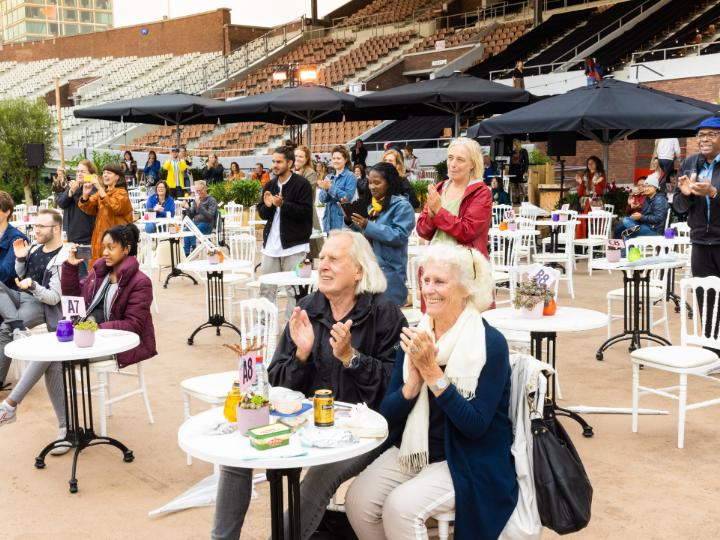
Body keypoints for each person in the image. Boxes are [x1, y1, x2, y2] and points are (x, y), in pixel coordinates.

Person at [212, 230, 406, 540]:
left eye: (334, 259)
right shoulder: (308, 307)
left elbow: (395, 387)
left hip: (363, 430)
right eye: (322, 258)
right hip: (304, 421)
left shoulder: (384, 313)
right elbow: (274, 381)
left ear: (359, 271)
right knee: (239, 453)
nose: (323, 265)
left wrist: (352, 358)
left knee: (319, 477)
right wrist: (301, 355)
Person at [345, 243, 518, 540]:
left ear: (467, 289)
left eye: (439, 282)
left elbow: (475, 427)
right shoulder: (416, 335)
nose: (429, 289)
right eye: (425, 280)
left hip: (468, 459)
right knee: (358, 501)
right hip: (417, 450)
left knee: (400, 508)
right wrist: (411, 387)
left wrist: (433, 374)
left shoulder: (490, 344)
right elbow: (389, 417)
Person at [0, 210, 67, 438]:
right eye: (35, 226)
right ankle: (16, 324)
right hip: (23, 295)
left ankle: (14, 326)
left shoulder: (63, 257)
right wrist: (20, 259)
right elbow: (21, 275)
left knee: (4, 329)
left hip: (40, 302)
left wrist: (33, 287)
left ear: (56, 229)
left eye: (41, 226)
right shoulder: (36, 249)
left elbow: (54, 298)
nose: (35, 230)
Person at [258, 146, 314, 317]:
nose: (275, 165)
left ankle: (292, 330)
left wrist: (284, 205)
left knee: (294, 291)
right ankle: (263, 326)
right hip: (271, 247)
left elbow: (305, 212)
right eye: (273, 161)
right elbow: (263, 214)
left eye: (279, 162)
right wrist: (267, 206)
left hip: (294, 246)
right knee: (266, 289)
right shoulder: (270, 184)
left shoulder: (301, 184)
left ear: (289, 163)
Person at [349, 162, 415, 306]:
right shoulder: (369, 205)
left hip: (389, 272)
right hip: (367, 270)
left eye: (377, 183)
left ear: (389, 183)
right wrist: (349, 219)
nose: (372, 187)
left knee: (388, 319)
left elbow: (399, 235)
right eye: (370, 182)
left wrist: (368, 225)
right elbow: (361, 234)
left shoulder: (402, 206)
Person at [416, 137, 492, 257]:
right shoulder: (439, 188)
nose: (452, 164)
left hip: (463, 267)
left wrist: (438, 212)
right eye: (450, 158)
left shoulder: (481, 193)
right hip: (435, 262)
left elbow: (467, 232)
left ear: (473, 163)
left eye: (460, 160)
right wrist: (431, 216)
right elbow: (422, 231)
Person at [673, 116, 720, 281]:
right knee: (706, 300)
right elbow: (678, 207)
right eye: (701, 135)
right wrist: (687, 195)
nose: (704, 139)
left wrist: (714, 193)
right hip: (700, 243)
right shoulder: (689, 163)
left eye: (712, 134)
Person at [78, 163, 133, 266]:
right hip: (100, 238)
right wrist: (85, 194)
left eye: (109, 173)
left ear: (117, 177)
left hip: (116, 239)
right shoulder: (102, 193)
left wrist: (99, 187)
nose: (105, 175)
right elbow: (88, 208)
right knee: (99, 269)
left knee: (116, 269)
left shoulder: (122, 193)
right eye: (103, 173)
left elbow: (114, 207)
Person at [56, 160, 97, 254]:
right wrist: (70, 192)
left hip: (86, 240)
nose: (79, 174)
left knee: (85, 268)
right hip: (69, 238)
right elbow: (61, 203)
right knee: (70, 268)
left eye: (82, 171)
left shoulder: (93, 189)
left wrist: (76, 190)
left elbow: (85, 206)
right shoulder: (73, 186)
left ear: (91, 174)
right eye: (77, 171)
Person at [613, 172, 668, 239]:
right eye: (645, 186)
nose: (646, 188)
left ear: (655, 187)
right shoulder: (647, 198)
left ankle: (630, 242)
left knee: (627, 234)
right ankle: (634, 229)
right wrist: (633, 210)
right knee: (626, 219)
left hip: (654, 229)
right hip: (645, 225)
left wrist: (641, 217)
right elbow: (642, 214)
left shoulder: (660, 199)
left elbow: (658, 218)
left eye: (649, 186)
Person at [294, 145, 323, 259]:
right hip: (293, 210)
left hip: (306, 211)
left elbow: (305, 193)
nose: (297, 158)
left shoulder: (310, 173)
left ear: (306, 159)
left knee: (312, 245)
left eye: (301, 156)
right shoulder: (292, 170)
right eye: (296, 155)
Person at [318, 145, 356, 232]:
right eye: (334, 158)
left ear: (345, 160)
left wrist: (330, 187)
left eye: (338, 158)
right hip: (328, 221)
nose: (335, 161)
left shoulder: (350, 176)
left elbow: (347, 198)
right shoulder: (329, 177)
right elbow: (322, 199)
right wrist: (326, 189)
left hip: (341, 222)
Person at [183, 180, 218, 256]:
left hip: (207, 224)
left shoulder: (211, 200)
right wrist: (188, 208)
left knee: (193, 230)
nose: (198, 193)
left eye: (200, 190)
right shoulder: (197, 200)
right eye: (197, 191)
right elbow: (191, 215)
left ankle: (194, 249)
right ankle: (187, 253)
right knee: (185, 230)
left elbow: (210, 216)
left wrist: (200, 206)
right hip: (196, 224)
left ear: (205, 189)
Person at [507, 140, 529, 205]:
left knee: (521, 184)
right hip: (513, 169)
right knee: (515, 185)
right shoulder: (512, 151)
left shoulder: (524, 151)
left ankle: (526, 198)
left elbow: (527, 162)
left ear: (520, 143)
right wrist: (511, 150)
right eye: (514, 143)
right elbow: (510, 159)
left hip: (520, 169)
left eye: (516, 142)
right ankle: (517, 199)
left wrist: (525, 171)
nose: (515, 144)